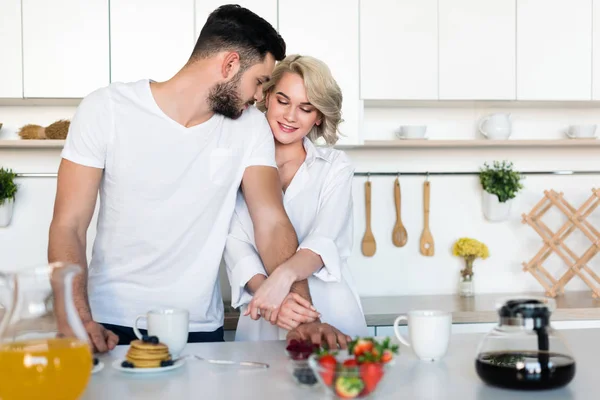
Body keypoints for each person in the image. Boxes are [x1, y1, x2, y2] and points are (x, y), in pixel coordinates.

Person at [48, 4, 317, 352]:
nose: (258, 97)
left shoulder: (250, 128)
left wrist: (304, 313)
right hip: (107, 323)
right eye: (259, 82)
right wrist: (76, 316)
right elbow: (68, 225)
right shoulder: (106, 109)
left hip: (198, 329)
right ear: (230, 64)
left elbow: (272, 222)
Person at [224, 55, 368, 346]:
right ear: (266, 98)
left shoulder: (335, 167)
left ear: (319, 116)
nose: (291, 116)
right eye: (283, 101)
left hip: (331, 310)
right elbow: (235, 246)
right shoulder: (234, 166)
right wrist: (272, 298)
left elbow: (324, 240)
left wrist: (283, 278)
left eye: (306, 108)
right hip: (266, 312)